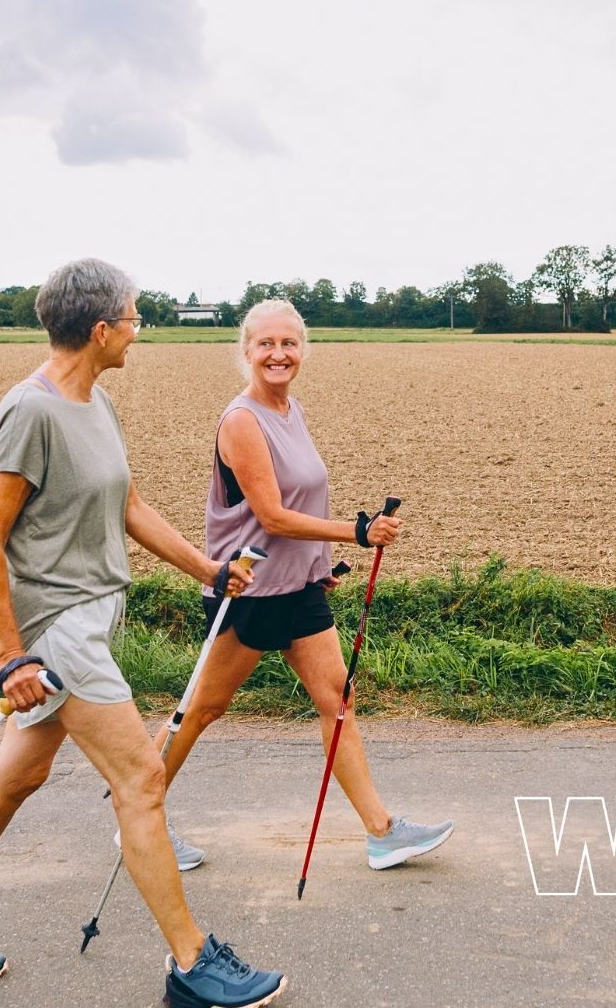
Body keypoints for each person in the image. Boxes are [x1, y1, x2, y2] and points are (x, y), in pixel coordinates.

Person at [0, 258, 286, 1008]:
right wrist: (10, 658)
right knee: (142, 780)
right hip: (57, 636)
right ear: (101, 330)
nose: (139, 331)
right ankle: (195, 965)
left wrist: (208, 567)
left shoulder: (95, 403)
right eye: (134, 319)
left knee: (17, 776)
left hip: (87, 619)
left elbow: (126, 504)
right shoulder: (29, 411)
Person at [152, 298, 453, 873]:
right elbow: (273, 516)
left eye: (289, 343)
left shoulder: (292, 410)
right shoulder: (242, 421)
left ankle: (381, 833)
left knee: (336, 700)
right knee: (204, 709)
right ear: (246, 352)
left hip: (300, 590)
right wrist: (358, 533)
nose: (278, 354)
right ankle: (138, 812)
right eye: (266, 344)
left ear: (303, 351)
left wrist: (322, 567)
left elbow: (305, 501)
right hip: (253, 592)